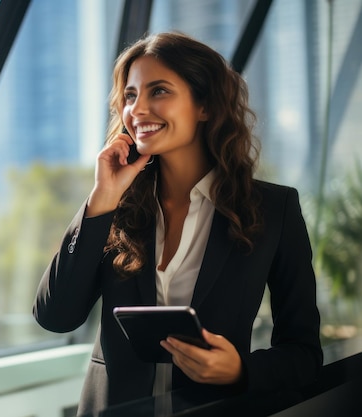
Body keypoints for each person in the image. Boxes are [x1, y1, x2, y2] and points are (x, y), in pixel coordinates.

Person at [33, 32, 322, 415]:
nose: (137, 110)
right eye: (131, 95)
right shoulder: (115, 205)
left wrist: (239, 369)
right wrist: (101, 198)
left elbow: (304, 353)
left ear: (204, 105)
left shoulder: (273, 209)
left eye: (159, 91)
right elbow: (56, 316)